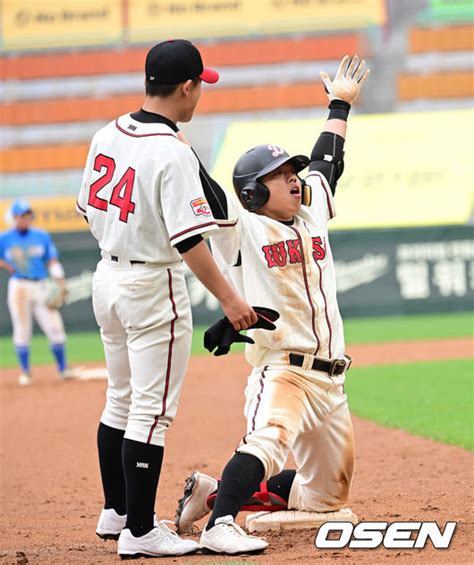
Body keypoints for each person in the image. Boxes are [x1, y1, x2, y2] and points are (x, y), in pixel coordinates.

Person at [174, 55, 370, 555]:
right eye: (280, 175)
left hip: (332, 378)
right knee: (269, 439)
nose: (294, 179)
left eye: (292, 172)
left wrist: (339, 104)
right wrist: (169, 133)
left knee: (327, 497)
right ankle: (221, 523)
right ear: (253, 190)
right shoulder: (241, 230)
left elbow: (328, 162)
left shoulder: (312, 213)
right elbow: (201, 183)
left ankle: (215, 489)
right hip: (284, 369)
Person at [76, 39, 257, 559]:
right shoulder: (172, 150)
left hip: (107, 276)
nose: (201, 93)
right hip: (153, 284)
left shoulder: (106, 133)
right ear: (186, 86)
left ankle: (116, 512)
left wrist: (125, 238)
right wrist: (229, 298)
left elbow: (88, 210)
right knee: (151, 414)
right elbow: (189, 240)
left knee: (120, 399)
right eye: (200, 84)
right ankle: (139, 531)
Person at [0, 200, 71, 385]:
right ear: (14, 217)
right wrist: (6, 266)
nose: (24, 219)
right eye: (20, 215)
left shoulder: (41, 236)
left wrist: (60, 281)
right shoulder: (5, 238)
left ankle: (63, 369)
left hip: (41, 285)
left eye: (27, 215)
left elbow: (52, 260)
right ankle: (25, 372)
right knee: (22, 330)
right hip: (19, 286)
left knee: (55, 327)